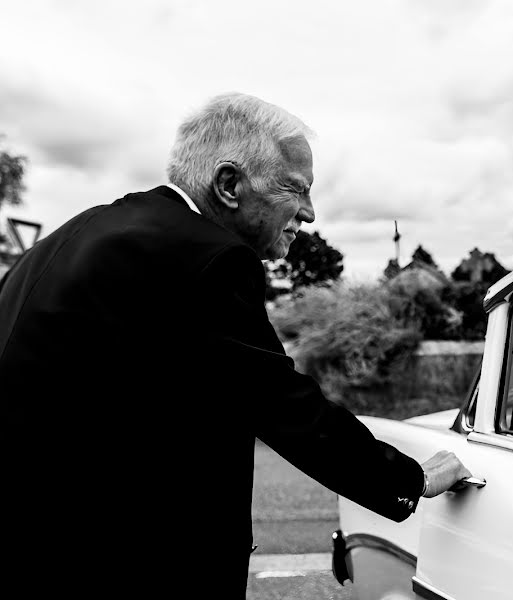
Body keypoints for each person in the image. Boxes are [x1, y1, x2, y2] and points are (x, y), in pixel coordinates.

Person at [0, 93, 470, 598]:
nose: (309, 214)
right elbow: (281, 403)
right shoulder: (208, 256)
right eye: (297, 190)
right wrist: (411, 478)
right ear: (229, 185)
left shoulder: (72, 236)